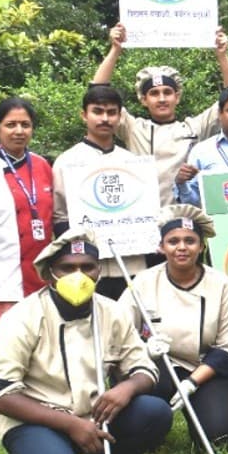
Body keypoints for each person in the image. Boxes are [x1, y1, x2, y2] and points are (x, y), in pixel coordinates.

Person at [0, 228, 172, 454]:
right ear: (49, 274)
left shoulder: (112, 311)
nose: (79, 276)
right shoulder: (21, 317)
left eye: (87, 267)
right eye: (67, 268)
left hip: (92, 414)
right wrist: (70, 424)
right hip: (37, 419)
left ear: (99, 271)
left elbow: (144, 368)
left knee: (156, 412)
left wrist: (126, 388)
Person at [127, 206, 228, 450]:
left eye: (190, 241)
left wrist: (191, 382)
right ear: (161, 246)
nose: (182, 247)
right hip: (158, 366)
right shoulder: (144, 281)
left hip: (205, 369)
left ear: (201, 246)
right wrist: (144, 348)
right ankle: (151, 426)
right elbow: (119, 333)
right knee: (139, 433)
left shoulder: (221, 285)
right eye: (173, 241)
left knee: (223, 440)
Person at [90, 23, 228, 206]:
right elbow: (97, 93)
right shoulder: (133, 128)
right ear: (143, 99)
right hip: (143, 217)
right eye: (154, 93)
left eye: (167, 92)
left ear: (177, 97)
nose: (161, 99)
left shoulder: (194, 127)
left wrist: (222, 56)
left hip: (185, 220)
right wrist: (115, 50)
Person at [0, 98, 55, 366]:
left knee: (37, 354)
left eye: (25, 125)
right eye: (11, 124)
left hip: (38, 276)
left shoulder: (42, 166)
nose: (19, 131)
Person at [51, 84, 146, 300]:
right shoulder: (67, 162)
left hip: (132, 265)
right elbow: (59, 216)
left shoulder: (132, 162)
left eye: (111, 112)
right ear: (84, 115)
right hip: (86, 269)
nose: (105, 119)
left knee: (131, 327)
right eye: (97, 111)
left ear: (120, 116)